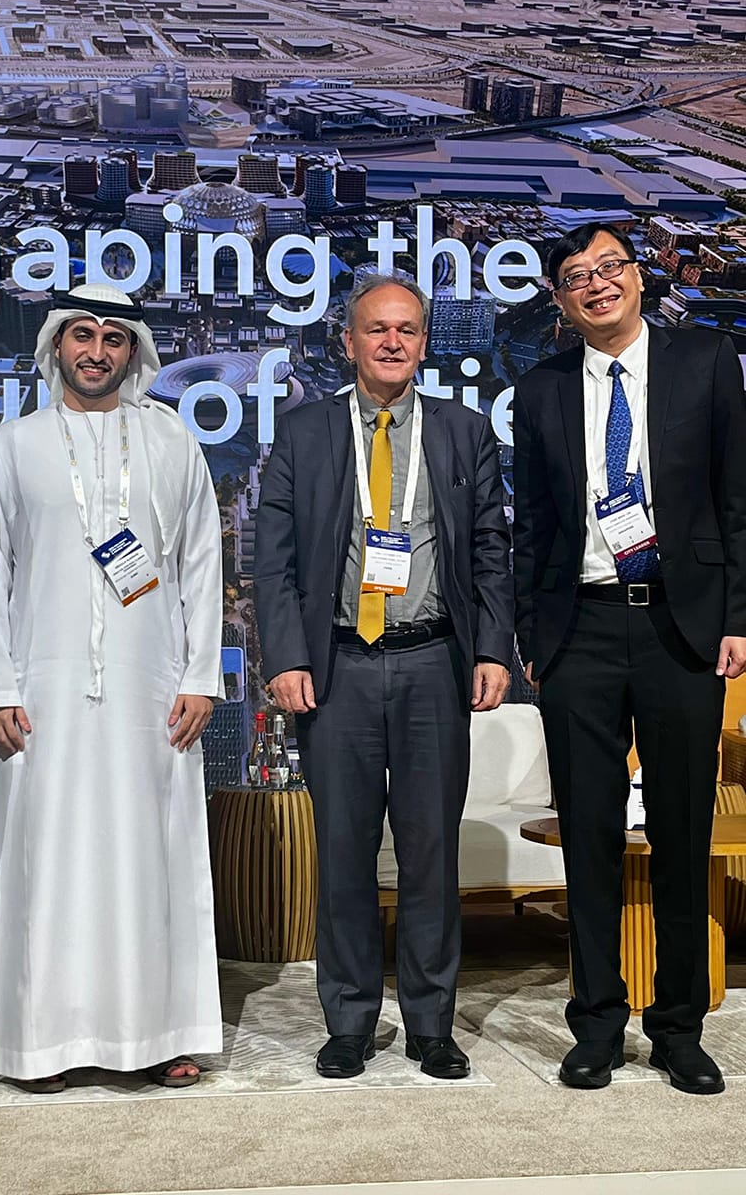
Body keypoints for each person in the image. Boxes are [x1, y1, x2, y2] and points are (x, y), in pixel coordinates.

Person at [254, 273, 513, 1081]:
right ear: (349, 342)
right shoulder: (303, 433)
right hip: (339, 669)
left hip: (436, 661)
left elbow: (492, 552)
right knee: (344, 852)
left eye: (407, 329)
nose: (393, 341)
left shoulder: (466, 432)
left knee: (431, 853)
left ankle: (433, 1022)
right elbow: (275, 563)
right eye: (377, 329)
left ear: (425, 343)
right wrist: (288, 656)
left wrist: (493, 649)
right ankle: (350, 1021)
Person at [0, 282, 224, 1091]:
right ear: (56, 346)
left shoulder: (173, 443)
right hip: (41, 688)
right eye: (82, 334)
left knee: (154, 855)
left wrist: (199, 675)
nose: (96, 352)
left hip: (155, 690)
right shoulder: (12, 446)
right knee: (48, 858)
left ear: (134, 352)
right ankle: (42, 1043)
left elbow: (200, 566)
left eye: (114, 338)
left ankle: (163, 1032)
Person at [513, 222, 746, 1095]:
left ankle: (679, 1026)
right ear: (561, 300)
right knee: (592, 837)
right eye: (577, 277)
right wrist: (538, 639)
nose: (596, 286)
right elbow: (532, 521)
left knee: (682, 832)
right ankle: (597, 1023)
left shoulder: (703, 360)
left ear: (638, 278)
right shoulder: (539, 389)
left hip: (682, 628)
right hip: (581, 630)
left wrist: (739, 616)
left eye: (609, 268)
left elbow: (738, 497)